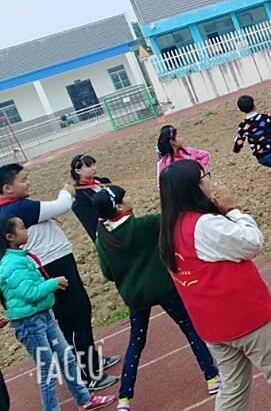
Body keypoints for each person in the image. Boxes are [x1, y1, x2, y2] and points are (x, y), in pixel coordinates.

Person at [158, 160, 271, 410]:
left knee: (233, 387)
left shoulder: (169, 231)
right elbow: (252, 242)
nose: (209, 181)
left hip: (212, 326)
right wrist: (232, 210)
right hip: (247, 318)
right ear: (193, 187)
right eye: (204, 177)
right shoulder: (204, 225)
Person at [93, 186, 220, 410]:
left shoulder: (103, 239)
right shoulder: (146, 224)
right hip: (164, 289)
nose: (130, 197)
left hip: (136, 297)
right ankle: (211, 377)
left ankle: (124, 398)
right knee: (190, 328)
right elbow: (174, 223)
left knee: (136, 343)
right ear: (119, 206)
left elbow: (107, 273)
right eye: (126, 196)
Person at [0, 164, 119, 390]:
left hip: (58, 260)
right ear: (7, 188)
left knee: (81, 310)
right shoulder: (18, 207)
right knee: (73, 317)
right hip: (51, 264)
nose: (28, 183)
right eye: (23, 180)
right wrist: (67, 190)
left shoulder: (17, 205)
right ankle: (87, 375)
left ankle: (92, 361)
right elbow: (61, 205)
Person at [0, 215, 116, 410]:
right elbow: (29, 293)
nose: (26, 231)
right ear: (10, 236)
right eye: (22, 227)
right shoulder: (11, 264)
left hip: (42, 316)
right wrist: (54, 283)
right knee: (48, 370)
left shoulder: (19, 258)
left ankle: (84, 399)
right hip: (29, 323)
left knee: (67, 358)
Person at [70, 154, 111, 242]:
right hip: (108, 234)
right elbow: (91, 224)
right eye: (89, 166)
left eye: (94, 164)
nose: (93, 168)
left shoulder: (103, 181)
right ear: (78, 171)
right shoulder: (79, 196)